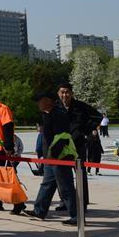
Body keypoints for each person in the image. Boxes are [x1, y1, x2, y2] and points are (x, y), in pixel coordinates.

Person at [24, 93, 78, 225]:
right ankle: (39, 210)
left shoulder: (59, 114)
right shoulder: (47, 114)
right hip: (50, 157)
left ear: (47, 100)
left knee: (66, 186)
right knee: (47, 184)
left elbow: (63, 137)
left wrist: (54, 156)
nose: (38, 104)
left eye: (40, 101)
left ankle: (76, 216)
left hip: (59, 157)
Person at [56, 83, 101, 211]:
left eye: (67, 92)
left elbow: (98, 116)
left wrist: (85, 130)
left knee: (80, 175)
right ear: (58, 94)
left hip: (77, 145)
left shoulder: (80, 106)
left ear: (71, 93)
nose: (64, 95)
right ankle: (65, 202)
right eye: (62, 92)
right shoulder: (56, 106)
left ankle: (83, 203)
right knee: (63, 177)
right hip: (62, 147)